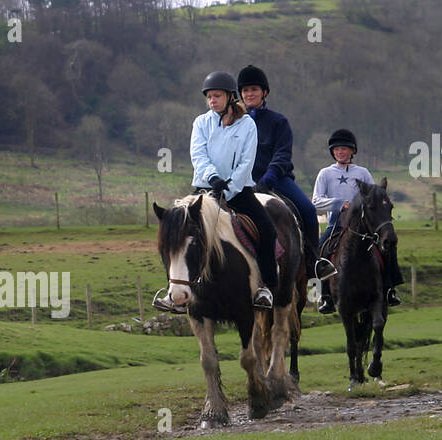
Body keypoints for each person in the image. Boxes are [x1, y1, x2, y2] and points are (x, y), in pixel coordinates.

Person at [153, 70, 276, 312]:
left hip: (238, 191)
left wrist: (228, 188)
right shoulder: (201, 123)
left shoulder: (247, 124)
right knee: (175, 234)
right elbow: (198, 156)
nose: (212, 101)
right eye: (209, 97)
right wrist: (213, 178)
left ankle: (265, 287)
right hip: (204, 190)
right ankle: (174, 292)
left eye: (216, 96)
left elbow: (246, 161)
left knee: (267, 229)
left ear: (230, 97)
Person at [235, 66, 332, 282]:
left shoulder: (278, 122)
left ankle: (313, 261)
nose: (249, 94)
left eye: (254, 89)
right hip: (241, 183)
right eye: (245, 90)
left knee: (307, 209)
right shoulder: (234, 122)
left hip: (276, 180)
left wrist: (269, 178)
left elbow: (282, 154)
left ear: (264, 92)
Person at [312, 129, 404, 314]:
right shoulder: (325, 174)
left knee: (388, 249)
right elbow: (316, 200)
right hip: (336, 224)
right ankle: (326, 297)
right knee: (320, 252)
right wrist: (339, 204)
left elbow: (375, 196)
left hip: (363, 227)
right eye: (337, 150)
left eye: (344, 149)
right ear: (333, 152)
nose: (340, 152)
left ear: (352, 151)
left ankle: (389, 290)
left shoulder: (362, 172)